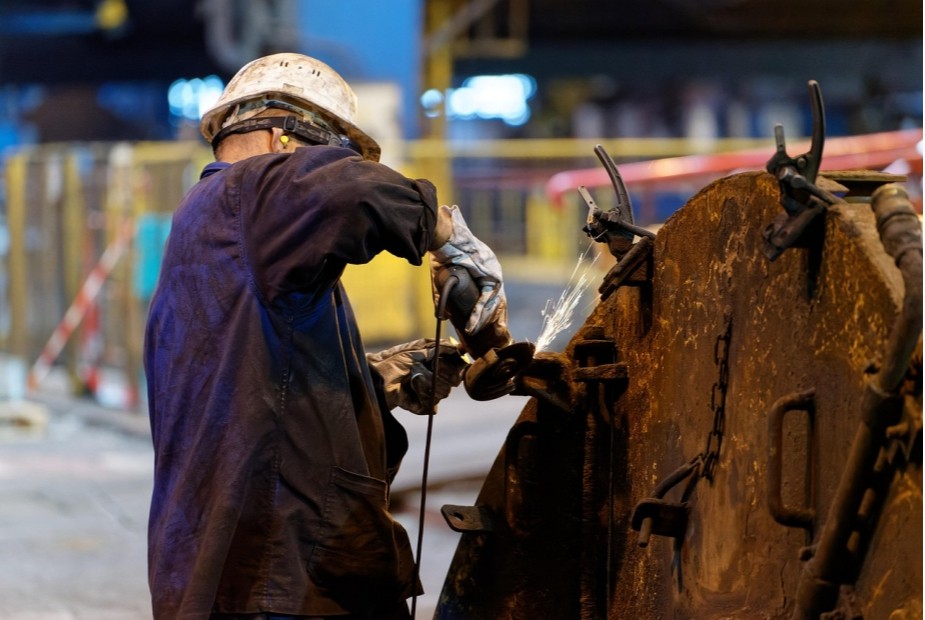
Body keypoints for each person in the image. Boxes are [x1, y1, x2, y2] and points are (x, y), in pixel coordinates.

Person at [143, 52, 509, 619]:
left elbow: (252, 385)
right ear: (279, 138)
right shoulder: (248, 195)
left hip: (237, 571)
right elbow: (350, 191)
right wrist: (450, 237)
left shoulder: (218, 235)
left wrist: (374, 382)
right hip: (280, 573)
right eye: (326, 157)